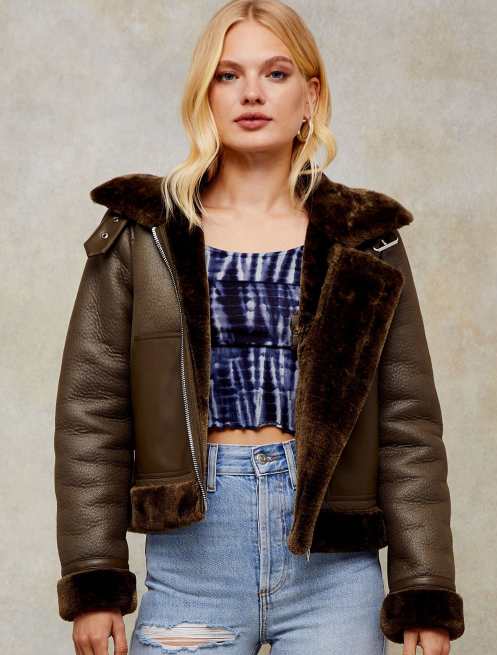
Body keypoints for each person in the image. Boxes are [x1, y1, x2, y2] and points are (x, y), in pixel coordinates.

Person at [53, 1, 465, 654]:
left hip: (334, 568)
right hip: (192, 563)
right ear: (205, 94)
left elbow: (408, 424)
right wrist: (95, 580)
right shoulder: (144, 233)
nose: (251, 93)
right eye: (228, 75)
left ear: (310, 95)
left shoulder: (365, 239)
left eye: (275, 73)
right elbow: (91, 413)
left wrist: (423, 589)